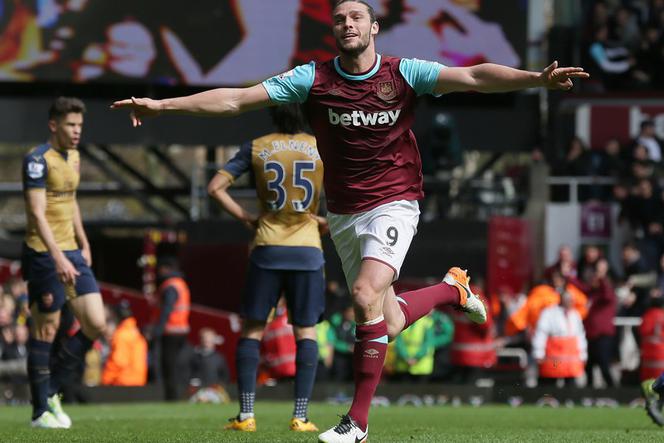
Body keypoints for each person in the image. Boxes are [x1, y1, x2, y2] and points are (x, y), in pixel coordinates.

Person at [111, 1, 588, 440]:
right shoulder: (312, 79)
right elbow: (236, 100)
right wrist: (161, 105)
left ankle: (356, 422)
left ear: (374, 27)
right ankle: (451, 290)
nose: (348, 24)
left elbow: (475, 77)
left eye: (357, 17)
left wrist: (535, 79)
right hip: (342, 211)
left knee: (362, 296)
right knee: (388, 318)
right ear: (334, 30)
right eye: (340, 19)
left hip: (395, 200)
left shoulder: (404, 73)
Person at [206, 104, 325, 432]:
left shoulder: (258, 146)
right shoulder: (322, 145)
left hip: (267, 247)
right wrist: (328, 221)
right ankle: (300, 417)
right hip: (307, 249)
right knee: (305, 331)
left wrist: (245, 218)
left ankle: (246, 416)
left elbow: (214, 187)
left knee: (253, 330)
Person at [21, 96, 106, 428]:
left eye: (80, 126)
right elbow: (36, 214)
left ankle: (51, 391)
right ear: (53, 125)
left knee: (96, 324)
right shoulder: (36, 160)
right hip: (44, 252)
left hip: (72, 250)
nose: (76, 132)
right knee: (46, 328)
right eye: (71, 125)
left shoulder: (74, 157)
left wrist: (83, 241)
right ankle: (39, 412)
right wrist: (57, 256)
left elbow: (71, 202)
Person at [150, 255, 190, 401]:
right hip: (181, 331)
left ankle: (172, 397)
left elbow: (167, 309)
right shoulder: (180, 283)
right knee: (176, 366)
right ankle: (176, 396)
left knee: (169, 366)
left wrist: (158, 330)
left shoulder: (170, 286)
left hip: (171, 332)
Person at [532, 288, 587, 387]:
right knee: (550, 378)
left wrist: (583, 354)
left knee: (571, 382)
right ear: (561, 300)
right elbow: (541, 333)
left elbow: (580, 336)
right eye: (567, 300)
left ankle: (569, 401)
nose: (570, 302)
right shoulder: (549, 313)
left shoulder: (575, 315)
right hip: (555, 358)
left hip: (570, 360)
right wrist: (538, 353)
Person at [101, 301, 148, 386]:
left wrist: (105, 380)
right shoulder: (137, 333)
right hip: (139, 381)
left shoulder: (121, 335)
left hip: (123, 381)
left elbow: (118, 361)